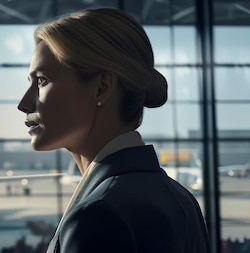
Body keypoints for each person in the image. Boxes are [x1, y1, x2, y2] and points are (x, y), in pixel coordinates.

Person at [17, 7, 210, 253]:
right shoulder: (181, 199)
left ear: (102, 88)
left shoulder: (96, 215)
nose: (23, 103)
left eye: (42, 80)